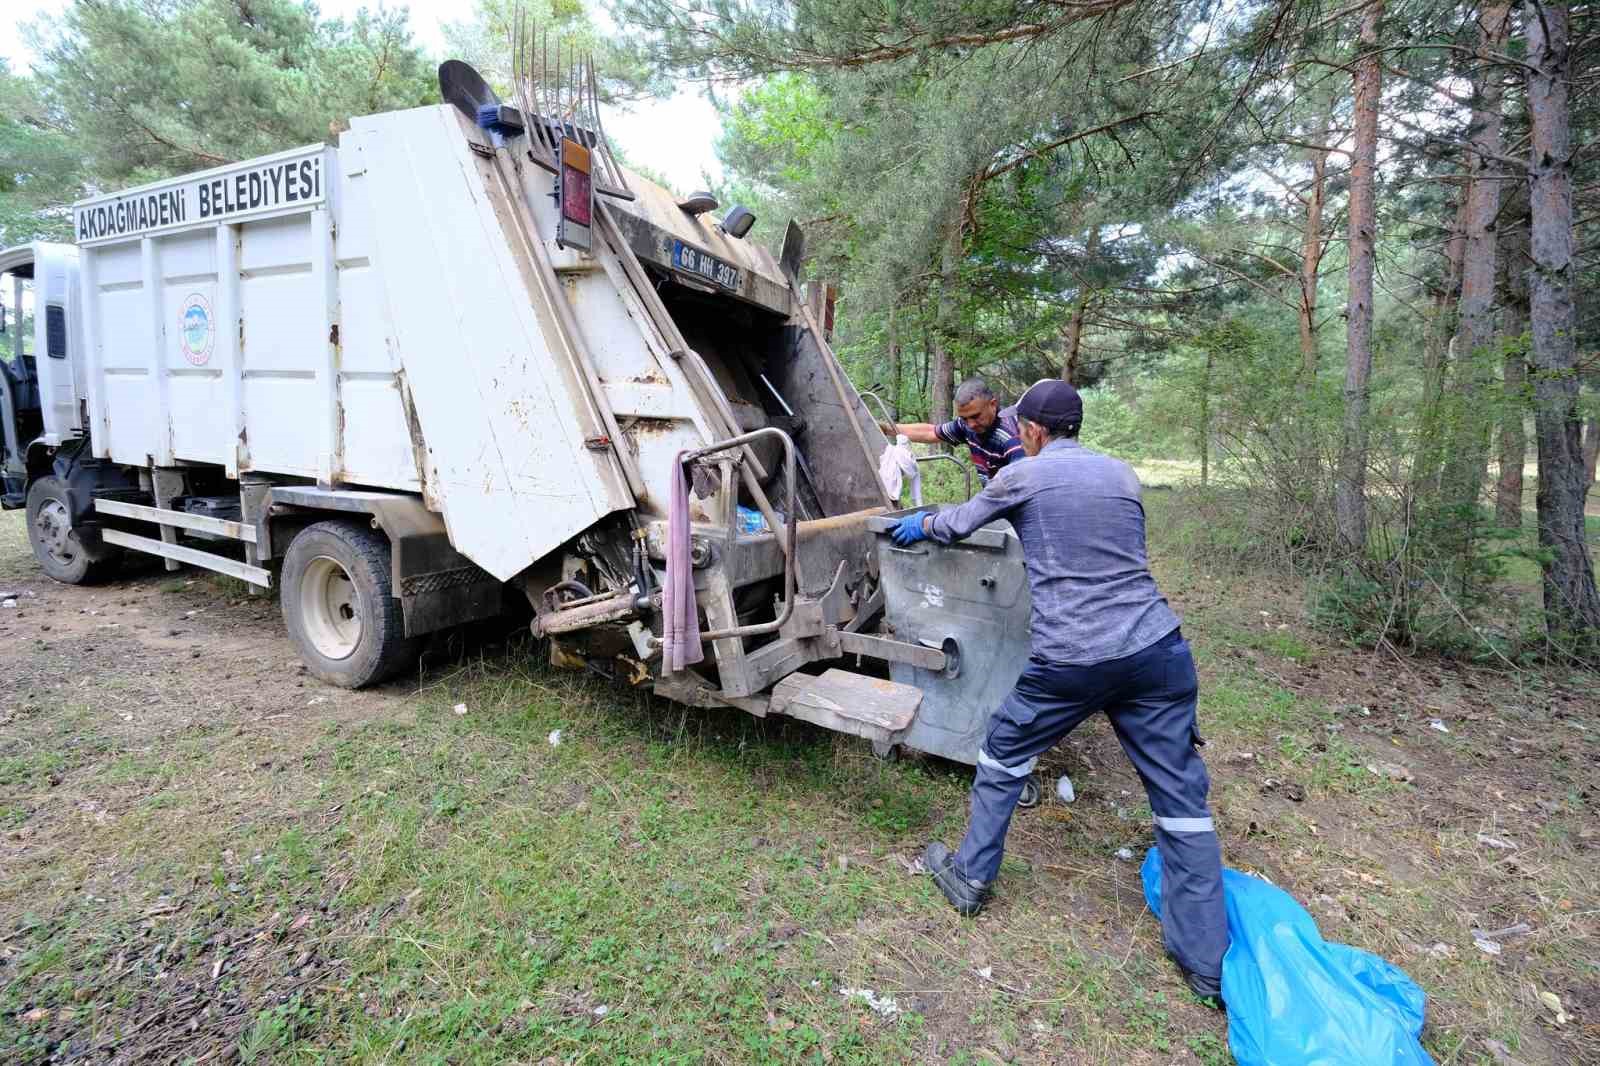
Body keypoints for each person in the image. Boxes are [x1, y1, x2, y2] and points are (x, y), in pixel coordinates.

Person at [888, 378, 1229, 1002]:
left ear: (1036, 432)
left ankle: (969, 875)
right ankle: (1207, 962)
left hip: (1074, 657)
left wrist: (921, 523)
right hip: (1157, 650)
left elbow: (962, 522)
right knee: (1181, 800)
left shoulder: (1026, 476)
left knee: (1003, 750)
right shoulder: (1123, 475)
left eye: (1022, 425)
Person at [882, 378, 1023, 485]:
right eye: (964, 418)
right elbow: (931, 432)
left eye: (976, 416)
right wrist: (887, 428)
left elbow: (1027, 489)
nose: (971, 424)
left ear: (993, 404)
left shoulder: (1012, 439)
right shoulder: (966, 425)